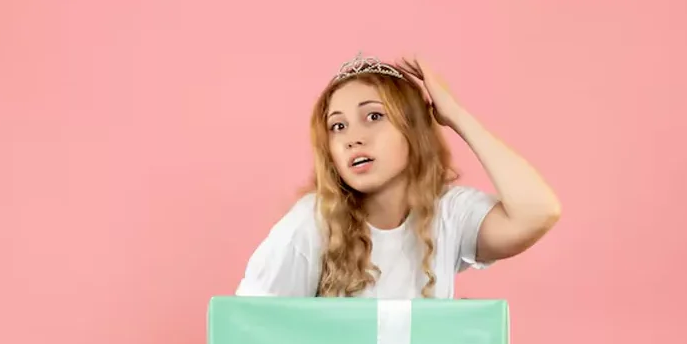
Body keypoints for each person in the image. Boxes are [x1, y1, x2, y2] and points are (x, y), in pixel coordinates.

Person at [235, 52, 561, 299]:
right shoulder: (310, 224)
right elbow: (248, 332)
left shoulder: (447, 213)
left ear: (413, 131)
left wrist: (456, 116)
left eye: (373, 116)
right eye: (338, 126)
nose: (353, 138)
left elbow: (538, 212)